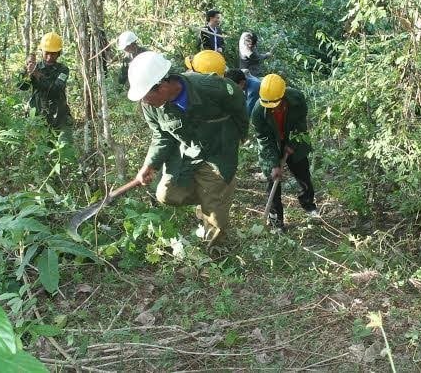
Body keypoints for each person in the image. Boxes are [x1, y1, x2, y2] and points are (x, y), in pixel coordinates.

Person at [128, 51, 248, 250]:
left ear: (162, 84)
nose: (144, 102)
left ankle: (214, 254)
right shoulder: (150, 106)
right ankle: (213, 196)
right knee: (167, 194)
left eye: (146, 95)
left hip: (218, 151)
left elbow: (237, 100)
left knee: (215, 222)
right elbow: (161, 135)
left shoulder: (209, 87)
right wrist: (150, 164)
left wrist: (240, 133)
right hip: (187, 153)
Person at [252, 73, 319, 231]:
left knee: (303, 175)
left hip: (294, 139)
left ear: (283, 96)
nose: (271, 107)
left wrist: (293, 143)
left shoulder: (296, 98)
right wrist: (273, 164)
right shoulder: (258, 111)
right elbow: (264, 138)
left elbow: (301, 123)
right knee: (272, 179)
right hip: (273, 143)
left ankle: (309, 206)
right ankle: (276, 221)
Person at [19, 32, 73, 138]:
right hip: (38, 118)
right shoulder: (35, 66)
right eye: (46, 53)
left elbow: (56, 90)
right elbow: (22, 87)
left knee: (64, 149)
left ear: (59, 53)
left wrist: (37, 75)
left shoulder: (63, 70)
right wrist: (26, 71)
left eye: (53, 54)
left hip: (59, 118)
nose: (49, 57)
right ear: (42, 51)